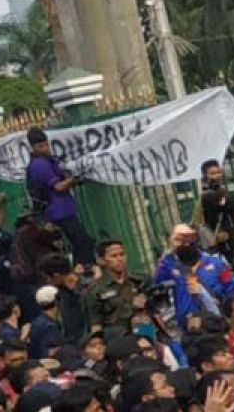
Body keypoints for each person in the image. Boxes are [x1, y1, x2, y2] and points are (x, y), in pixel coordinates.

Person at [25, 127, 95, 265]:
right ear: (32, 147)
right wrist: (75, 179)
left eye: (46, 144)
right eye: (40, 146)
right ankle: (85, 270)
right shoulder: (39, 165)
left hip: (62, 209)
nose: (45, 148)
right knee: (82, 242)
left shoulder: (47, 160)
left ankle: (80, 269)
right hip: (58, 211)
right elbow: (59, 186)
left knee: (79, 242)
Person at [84, 239, 143, 331]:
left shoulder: (139, 281)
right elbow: (96, 325)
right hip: (117, 338)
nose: (120, 259)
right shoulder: (96, 290)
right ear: (101, 260)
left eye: (122, 254)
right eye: (114, 256)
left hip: (143, 331)